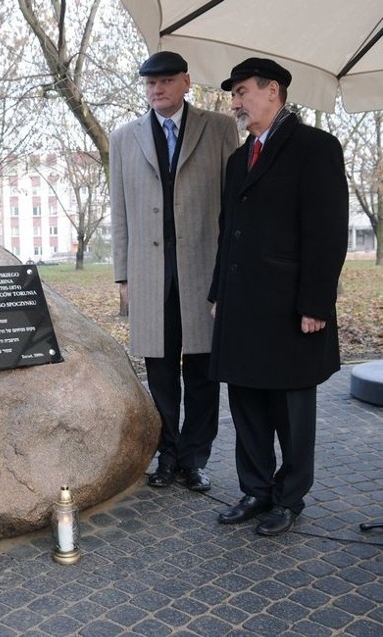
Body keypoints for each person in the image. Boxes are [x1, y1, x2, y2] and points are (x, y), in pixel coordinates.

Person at [209, 58, 348, 536]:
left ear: (274, 92)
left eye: (243, 91)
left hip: (290, 306)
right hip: (241, 304)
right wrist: (216, 292)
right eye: (234, 94)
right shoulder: (237, 158)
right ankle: (255, 489)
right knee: (245, 401)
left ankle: (289, 499)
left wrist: (315, 303)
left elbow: (327, 234)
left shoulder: (316, 148)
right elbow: (228, 232)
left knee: (290, 410)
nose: (236, 102)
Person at [110, 51, 238, 492]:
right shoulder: (124, 138)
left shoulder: (219, 128)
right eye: (149, 83)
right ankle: (166, 456)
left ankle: (194, 458)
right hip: (148, 272)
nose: (156, 89)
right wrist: (122, 275)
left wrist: (229, 273)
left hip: (204, 269)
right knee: (160, 371)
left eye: (165, 81)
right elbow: (119, 212)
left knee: (202, 369)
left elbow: (232, 206)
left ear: (186, 81)